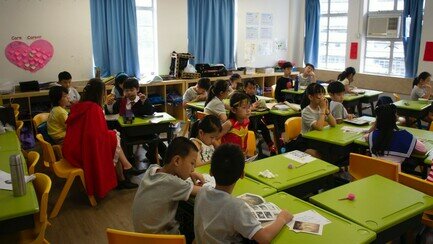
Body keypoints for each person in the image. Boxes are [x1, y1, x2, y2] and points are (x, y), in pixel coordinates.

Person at [194, 144, 293, 243]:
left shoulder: (201, 192)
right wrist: (282, 218)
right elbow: (264, 238)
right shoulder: (236, 206)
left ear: (211, 172)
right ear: (242, 174)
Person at [62, 78, 141, 196]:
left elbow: (93, 132)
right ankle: (126, 169)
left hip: (72, 146)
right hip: (81, 150)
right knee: (115, 139)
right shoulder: (94, 109)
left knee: (114, 140)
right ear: (99, 93)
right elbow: (96, 135)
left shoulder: (81, 105)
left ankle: (124, 174)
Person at [132, 137, 204, 234]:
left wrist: (188, 173)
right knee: (195, 222)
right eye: (192, 163)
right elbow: (201, 190)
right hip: (163, 240)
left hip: (141, 238)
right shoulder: (173, 183)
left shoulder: (152, 169)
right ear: (177, 161)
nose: (193, 169)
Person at [106, 78, 166, 165]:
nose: (129, 92)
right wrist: (109, 105)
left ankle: (161, 157)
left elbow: (150, 112)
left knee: (155, 138)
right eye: (126, 90)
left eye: (132, 90)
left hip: (143, 129)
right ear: (123, 91)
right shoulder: (121, 101)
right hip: (127, 131)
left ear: (137, 89)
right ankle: (129, 159)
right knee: (123, 139)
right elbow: (111, 112)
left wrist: (144, 102)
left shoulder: (141, 100)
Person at [300, 83, 337, 158]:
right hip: (307, 141)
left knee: (334, 148)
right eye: (319, 95)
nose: (322, 98)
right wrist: (323, 109)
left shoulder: (320, 108)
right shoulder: (306, 111)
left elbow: (333, 123)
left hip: (318, 139)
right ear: (310, 97)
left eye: (323, 94)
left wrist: (327, 110)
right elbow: (319, 127)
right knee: (325, 153)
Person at [244, 79, 276, 155]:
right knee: (253, 131)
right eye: (250, 88)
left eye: (254, 88)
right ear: (245, 88)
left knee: (265, 129)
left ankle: (271, 146)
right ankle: (253, 149)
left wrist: (261, 106)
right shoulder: (243, 97)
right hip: (248, 121)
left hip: (256, 120)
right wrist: (252, 107)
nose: (252, 90)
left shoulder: (255, 97)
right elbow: (244, 109)